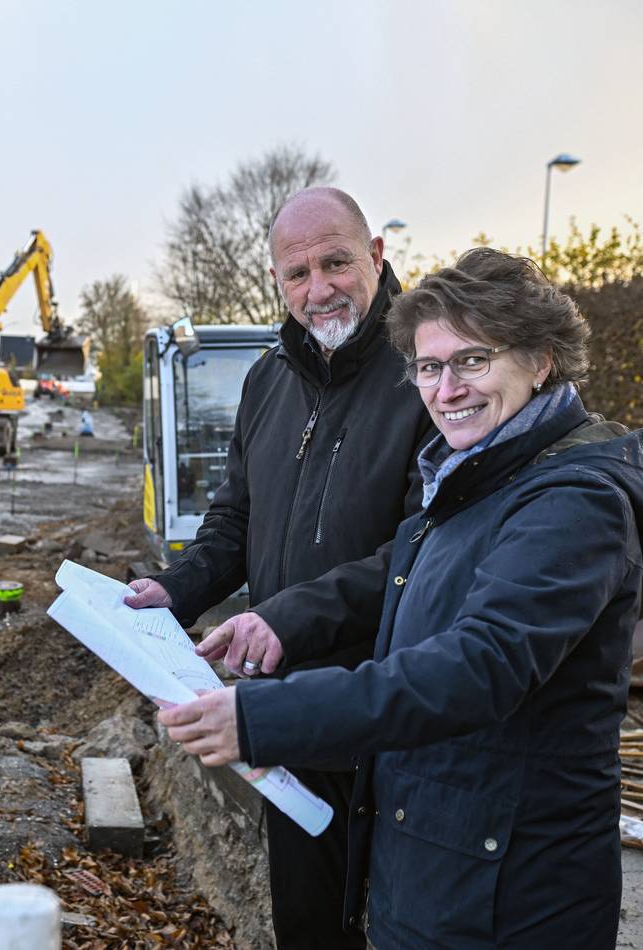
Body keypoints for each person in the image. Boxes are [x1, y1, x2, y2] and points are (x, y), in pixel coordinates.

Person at [160, 248, 643, 949]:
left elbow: (478, 667)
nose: (447, 389)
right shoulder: (473, 475)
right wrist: (277, 619)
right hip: (445, 867)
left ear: (541, 361)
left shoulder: (570, 501)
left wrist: (267, 717)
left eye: (472, 361)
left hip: (507, 896)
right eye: (428, 367)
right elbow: (397, 578)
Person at [125, 186, 435, 948]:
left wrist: (287, 618)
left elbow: (423, 551)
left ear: (377, 256)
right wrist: (175, 587)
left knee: (397, 923)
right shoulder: (269, 380)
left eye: (336, 263)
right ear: (276, 281)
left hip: (390, 708)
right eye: (297, 273)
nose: (318, 288)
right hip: (290, 714)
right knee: (308, 922)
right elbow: (235, 518)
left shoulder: (429, 375)